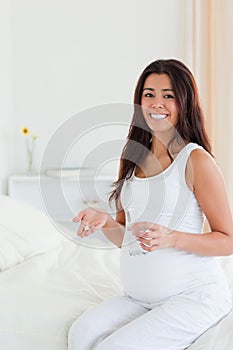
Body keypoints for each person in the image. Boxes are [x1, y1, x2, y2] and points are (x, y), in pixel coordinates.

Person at [68, 59, 233, 350]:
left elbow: (227, 240)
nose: (157, 103)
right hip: (139, 298)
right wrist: (104, 219)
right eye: (149, 94)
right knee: (81, 334)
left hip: (193, 295)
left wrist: (172, 239)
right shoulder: (131, 158)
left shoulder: (195, 160)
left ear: (185, 102)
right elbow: (126, 239)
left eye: (168, 95)